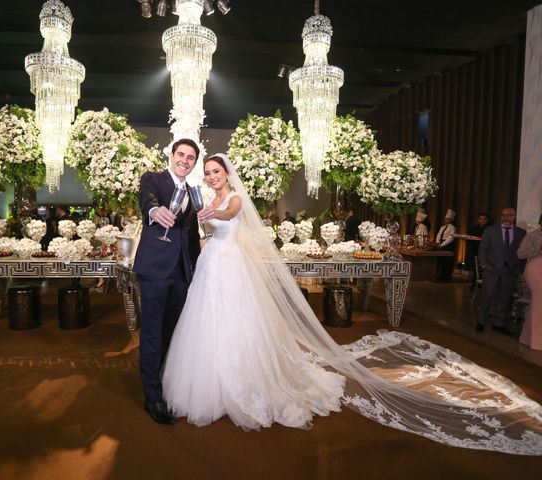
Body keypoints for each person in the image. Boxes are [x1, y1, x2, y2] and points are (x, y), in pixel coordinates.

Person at [160, 154, 542, 455]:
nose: (211, 176)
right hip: (212, 265)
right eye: (207, 172)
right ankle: (210, 380)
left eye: (215, 171)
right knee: (206, 320)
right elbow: (207, 221)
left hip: (231, 267)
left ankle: (245, 382)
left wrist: (214, 213)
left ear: (226, 173)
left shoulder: (232, 199)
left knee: (239, 321)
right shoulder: (205, 199)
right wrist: (200, 213)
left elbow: (229, 215)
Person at [133, 138, 201, 425]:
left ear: (195, 163)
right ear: (171, 155)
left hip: (180, 273)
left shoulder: (193, 192)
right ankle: (152, 398)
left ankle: (161, 380)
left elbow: (191, 236)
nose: (185, 160)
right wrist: (153, 211)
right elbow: (147, 199)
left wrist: (198, 267)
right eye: (181, 155)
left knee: (169, 333)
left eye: (191, 158)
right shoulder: (154, 179)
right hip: (154, 269)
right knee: (150, 332)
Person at [477, 207, 526, 333]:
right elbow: (482, 248)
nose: (505, 217)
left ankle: (498, 324)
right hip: (491, 269)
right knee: (487, 295)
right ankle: (481, 321)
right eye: (503, 215)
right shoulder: (490, 230)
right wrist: (484, 265)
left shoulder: (521, 233)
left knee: (504, 298)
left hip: (510, 270)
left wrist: (519, 268)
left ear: (514, 217)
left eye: (509, 215)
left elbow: (523, 252)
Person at [517, 214, 542, 350]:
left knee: (537, 303)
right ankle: (538, 342)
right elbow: (520, 254)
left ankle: (527, 338)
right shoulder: (532, 235)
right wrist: (538, 249)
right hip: (535, 269)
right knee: (540, 301)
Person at [466, 212, 490, 288]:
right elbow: (468, 239)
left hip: (487, 253)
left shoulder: (491, 229)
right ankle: (475, 283)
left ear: (487, 220)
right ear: (478, 220)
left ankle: (486, 285)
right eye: (481, 219)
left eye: (484, 219)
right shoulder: (473, 228)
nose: (482, 221)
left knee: (485, 269)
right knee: (475, 269)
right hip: (475, 251)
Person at [435, 209, 457, 281]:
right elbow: (438, 235)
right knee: (441, 260)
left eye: (448, 219)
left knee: (447, 262)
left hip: (448, 245)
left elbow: (451, 238)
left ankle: (446, 276)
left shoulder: (452, 227)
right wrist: (438, 242)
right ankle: (440, 274)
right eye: (446, 219)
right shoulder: (442, 227)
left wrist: (442, 244)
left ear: (451, 220)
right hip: (440, 244)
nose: (446, 220)